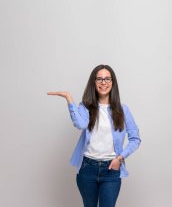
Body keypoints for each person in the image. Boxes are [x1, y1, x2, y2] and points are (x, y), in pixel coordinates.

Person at [47, 64, 141, 207]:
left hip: (111, 169)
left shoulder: (123, 110)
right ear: (94, 82)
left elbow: (135, 139)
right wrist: (69, 99)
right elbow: (80, 124)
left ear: (113, 83)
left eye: (107, 79)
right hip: (87, 168)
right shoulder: (85, 107)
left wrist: (120, 158)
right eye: (99, 79)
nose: (104, 82)